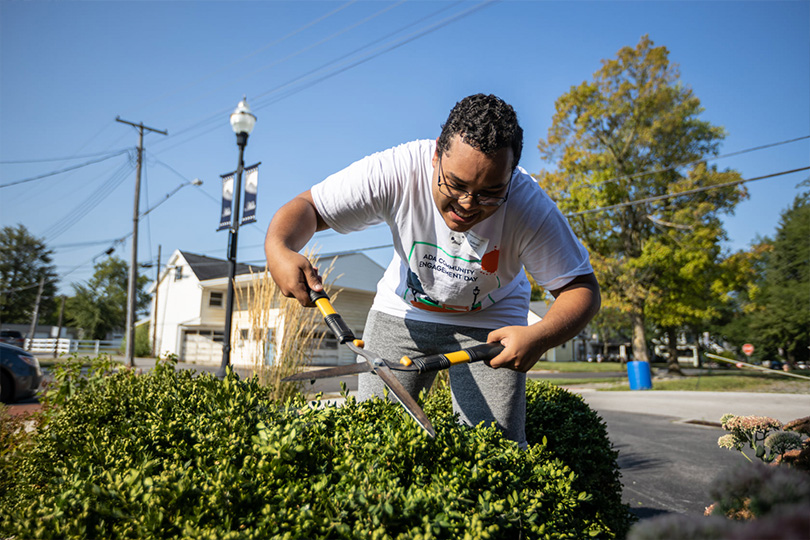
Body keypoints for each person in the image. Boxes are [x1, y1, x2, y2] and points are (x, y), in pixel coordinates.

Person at [265, 94, 600, 448]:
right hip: (402, 312)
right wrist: (278, 249)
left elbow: (582, 289)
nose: (468, 204)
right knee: (373, 439)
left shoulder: (529, 206)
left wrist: (540, 336)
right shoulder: (397, 169)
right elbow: (309, 207)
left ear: (512, 174)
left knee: (495, 453)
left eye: (490, 192)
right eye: (455, 184)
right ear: (437, 154)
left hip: (492, 322)